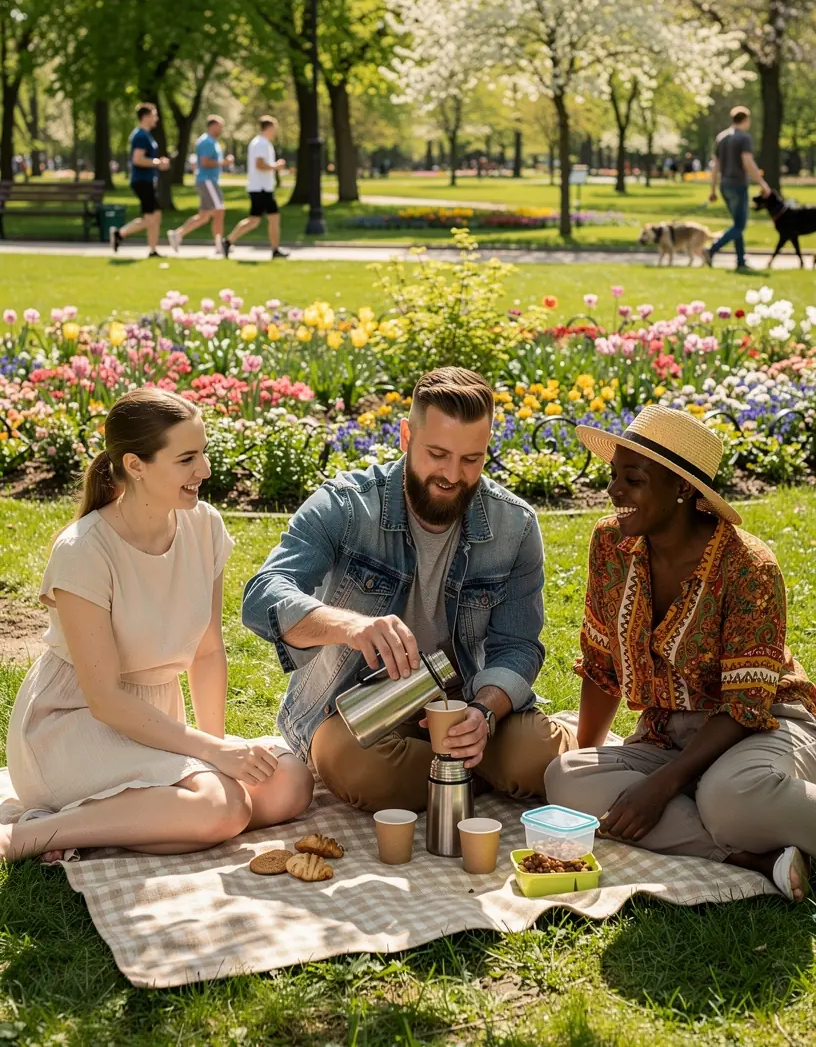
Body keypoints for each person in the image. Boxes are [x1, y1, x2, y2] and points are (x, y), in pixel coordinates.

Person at [243, 367, 576, 815]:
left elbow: (517, 646)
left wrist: (486, 712)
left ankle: (459, 769)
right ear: (405, 436)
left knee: (536, 758)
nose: (452, 475)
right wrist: (352, 626)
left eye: (471, 459)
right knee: (348, 762)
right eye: (437, 453)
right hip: (359, 708)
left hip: (465, 703)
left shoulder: (514, 525)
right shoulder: (345, 504)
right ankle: (470, 776)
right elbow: (264, 594)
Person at [1, 389, 313, 862]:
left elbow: (207, 652)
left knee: (289, 784)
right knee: (223, 808)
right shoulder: (83, 550)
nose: (205, 470)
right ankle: (27, 838)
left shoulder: (204, 526)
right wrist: (212, 757)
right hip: (74, 725)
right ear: (136, 464)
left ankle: (108, 826)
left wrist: (218, 748)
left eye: (203, 452)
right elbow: (104, 699)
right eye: (187, 458)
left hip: (157, 723)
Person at [545, 407, 815, 902]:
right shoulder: (611, 543)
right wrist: (591, 754)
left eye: (633, 478)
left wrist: (663, 785)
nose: (613, 491)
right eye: (613, 476)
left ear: (683, 489)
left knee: (726, 798)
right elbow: (601, 664)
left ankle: (741, 813)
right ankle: (749, 858)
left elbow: (745, 707)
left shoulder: (749, 566)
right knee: (565, 780)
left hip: (764, 724)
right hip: (669, 735)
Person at [705, 106, 771, 273]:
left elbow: (715, 166)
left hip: (724, 186)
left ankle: (740, 261)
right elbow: (748, 163)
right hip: (738, 185)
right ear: (746, 119)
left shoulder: (722, 137)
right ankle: (712, 249)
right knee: (740, 226)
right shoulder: (743, 138)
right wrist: (763, 184)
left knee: (736, 224)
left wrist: (712, 190)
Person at [222, 116, 288, 261]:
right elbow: (259, 165)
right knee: (269, 218)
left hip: (262, 188)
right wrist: (276, 167)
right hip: (261, 188)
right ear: (268, 128)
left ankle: (228, 241)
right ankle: (274, 249)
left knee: (255, 220)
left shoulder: (262, 143)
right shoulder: (260, 144)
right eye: (274, 128)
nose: (275, 131)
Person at [167, 115, 233, 258]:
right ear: (212, 126)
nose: (221, 129)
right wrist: (223, 163)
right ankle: (219, 244)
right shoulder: (206, 142)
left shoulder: (212, 142)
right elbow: (204, 162)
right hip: (207, 181)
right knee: (219, 210)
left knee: (204, 216)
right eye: (220, 126)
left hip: (208, 181)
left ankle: (177, 234)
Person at [111, 103, 170, 257]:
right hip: (143, 181)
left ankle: (153, 250)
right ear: (146, 117)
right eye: (154, 115)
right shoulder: (141, 136)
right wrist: (158, 162)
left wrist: (157, 163)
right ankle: (119, 233)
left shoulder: (145, 134)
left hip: (148, 180)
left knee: (156, 216)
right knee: (150, 218)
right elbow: (138, 159)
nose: (156, 118)